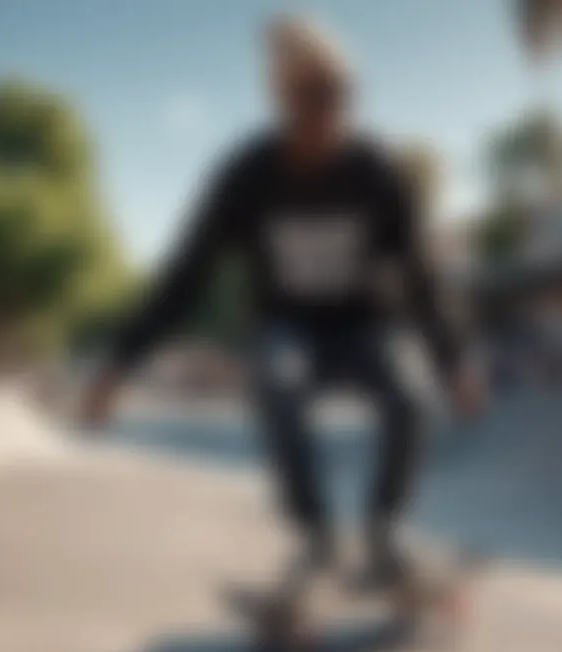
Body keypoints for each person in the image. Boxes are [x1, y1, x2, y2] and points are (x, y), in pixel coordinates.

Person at [82, 16, 484, 594]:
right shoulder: (246, 175)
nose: (329, 116)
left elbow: (422, 274)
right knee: (275, 380)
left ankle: (383, 534)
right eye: (313, 100)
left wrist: (457, 359)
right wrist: (119, 363)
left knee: (412, 393)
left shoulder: (377, 171)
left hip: (368, 326)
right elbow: (185, 276)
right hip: (289, 328)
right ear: (282, 102)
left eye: (341, 97)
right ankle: (316, 538)